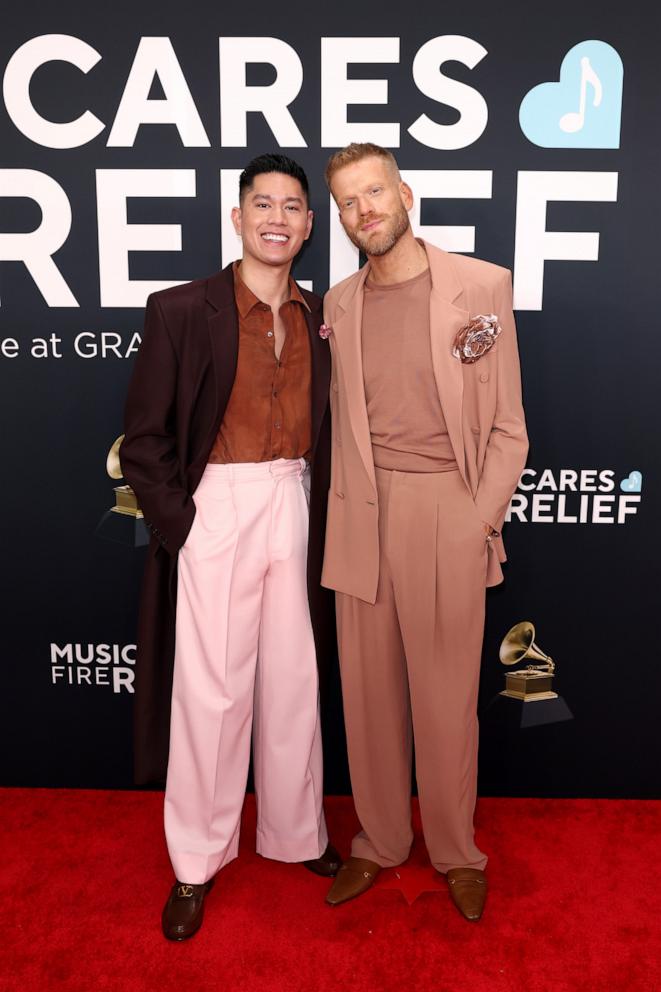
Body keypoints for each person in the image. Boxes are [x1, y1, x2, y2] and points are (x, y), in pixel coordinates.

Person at [121, 153, 339, 941]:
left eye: (292, 206)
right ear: (238, 217)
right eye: (263, 204)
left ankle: (295, 834)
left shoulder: (324, 315)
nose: (277, 217)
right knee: (211, 692)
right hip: (215, 502)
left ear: (310, 226)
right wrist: (184, 522)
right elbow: (142, 440)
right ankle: (195, 860)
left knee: (294, 679)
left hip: (294, 498)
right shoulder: (181, 309)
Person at [321, 142, 528, 920]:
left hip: (447, 508)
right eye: (347, 201)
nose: (363, 210)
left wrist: (475, 521)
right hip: (360, 512)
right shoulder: (336, 305)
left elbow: (508, 428)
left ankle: (454, 851)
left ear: (404, 193)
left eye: (373, 192)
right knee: (367, 699)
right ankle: (378, 841)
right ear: (337, 218)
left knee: (446, 699)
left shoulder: (479, 286)